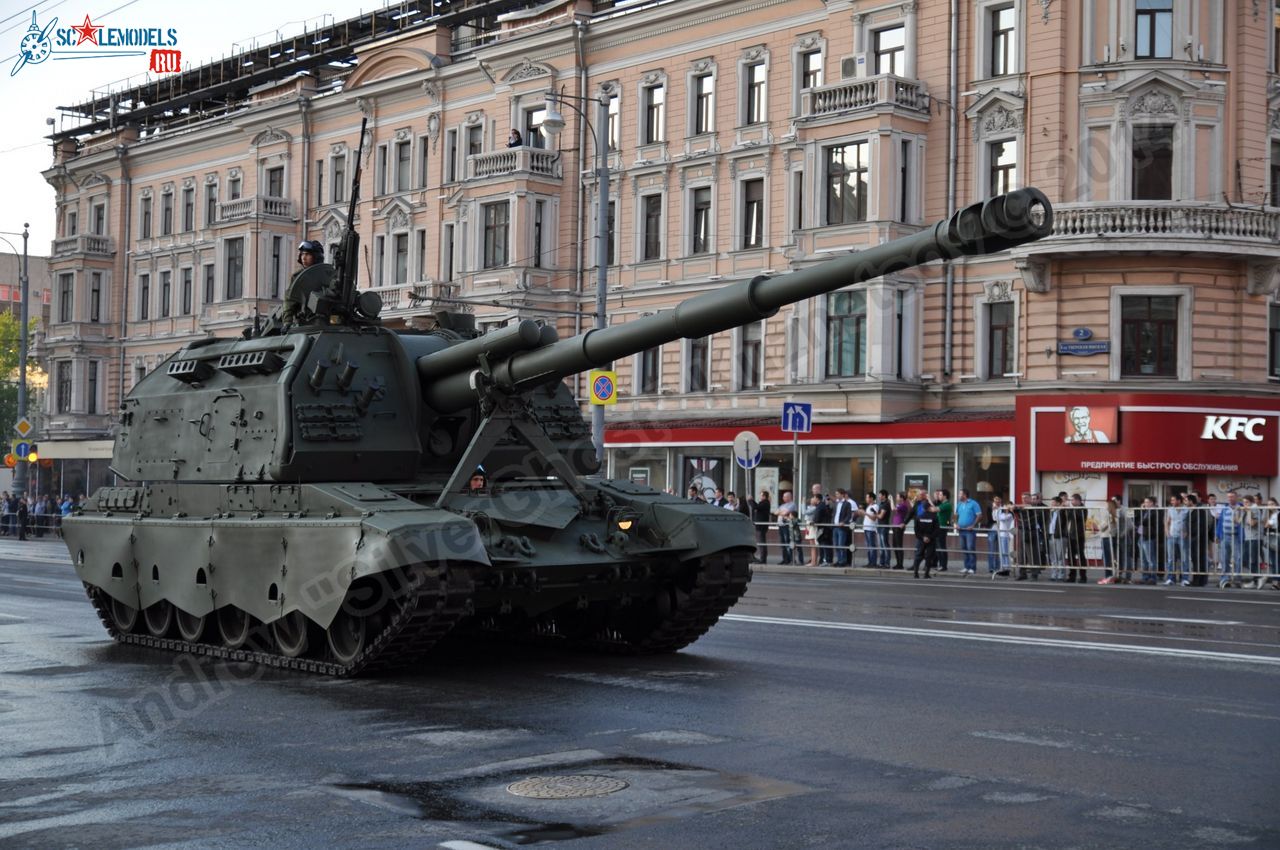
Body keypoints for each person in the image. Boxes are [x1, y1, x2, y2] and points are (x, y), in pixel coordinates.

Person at [281, 240, 327, 323]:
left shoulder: (327, 274)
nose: (303, 258)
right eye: (302, 254)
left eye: (307, 254)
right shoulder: (297, 277)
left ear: (316, 256)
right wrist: (287, 321)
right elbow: (290, 300)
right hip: (304, 320)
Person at [953, 488, 981, 576]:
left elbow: (979, 516)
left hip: (970, 530)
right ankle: (966, 566)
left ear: (965, 495)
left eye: (960, 494)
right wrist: (955, 524)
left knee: (970, 548)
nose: (958, 495)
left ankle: (972, 567)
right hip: (961, 530)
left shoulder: (973, 503)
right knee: (964, 548)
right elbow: (955, 515)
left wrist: (973, 525)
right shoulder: (959, 504)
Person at [1163, 494, 1189, 586]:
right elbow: (1167, 522)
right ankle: (1171, 578)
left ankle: (1185, 579)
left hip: (1182, 537)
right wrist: (1167, 533)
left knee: (1184, 558)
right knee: (1170, 559)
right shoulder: (1170, 509)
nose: (1172, 502)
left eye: (1173, 500)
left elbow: (1189, 522)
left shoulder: (1186, 509)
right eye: (1171, 500)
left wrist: (1187, 532)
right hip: (1172, 536)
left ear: (1179, 501)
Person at [912, 500, 939, 579]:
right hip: (931, 540)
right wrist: (929, 537)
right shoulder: (934, 517)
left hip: (921, 539)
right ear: (929, 507)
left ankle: (915, 573)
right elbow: (937, 530)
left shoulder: (919, 517)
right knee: (929, 556)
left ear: (923, 508)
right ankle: (926, 574)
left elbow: (916, 530)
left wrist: (922, 537)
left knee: (918, 555)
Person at [991, 496, 1015, 577]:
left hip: (1005, 534)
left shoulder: (1010, 515)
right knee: (1002, 552)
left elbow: (1002, 518)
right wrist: (995, 510)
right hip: (1001, 534)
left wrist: (998, 508)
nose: (1005, 508)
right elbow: (995, 518)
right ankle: (1004, 567)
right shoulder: (1002, 513)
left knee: (1005, 552)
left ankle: (1007, 568)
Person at [774, 490, 798, 565]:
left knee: (788, 542)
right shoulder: (782, 505)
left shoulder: (792, 504)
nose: (783, 498)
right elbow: (775, 512)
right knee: (783, 543)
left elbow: (785, 513)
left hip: (787, 526)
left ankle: (790, 559)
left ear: (789, 497)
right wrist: (781, 513)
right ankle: (784, 559)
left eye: (785, 496)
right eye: (783, 496)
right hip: (781, 525)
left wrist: (780, 513)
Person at [933, 489, 953, 571]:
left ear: (945, 496)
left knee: (942, 546)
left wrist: (930, 501)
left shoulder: (947, 504)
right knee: (938, 547)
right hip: (938, 528)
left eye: (940, 495)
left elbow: (935, 509)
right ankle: (941, 564)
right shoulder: (942, 504)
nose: (939, 496)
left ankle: (943, 565)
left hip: (942, 528)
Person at [861, 492, 882, 568]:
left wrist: (865, 513)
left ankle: (873, 562)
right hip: (866, 528)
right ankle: (870, 562)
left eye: (867, 497)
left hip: (871, 528)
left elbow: (874, 517)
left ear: (871, 498)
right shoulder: (868, 506)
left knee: (872, 545)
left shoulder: (875, 506)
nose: (866, 499)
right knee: (868, 546)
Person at [751, 490, 772, 563]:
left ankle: (763, 559)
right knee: (761, 542)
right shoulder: (763, 503)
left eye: (761, 495)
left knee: (762, 542)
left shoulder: (765, 503)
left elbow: (756, 507)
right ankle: (763, 558)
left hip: (761, 526)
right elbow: (756, 506)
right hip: (760, 526)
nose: (760, 497)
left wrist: (751, 500)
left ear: (764, 496)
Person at [891, 491, 910, 570]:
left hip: (899, 526)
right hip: (895, 526)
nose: (896, 498)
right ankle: (898, 563)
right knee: (895, 545)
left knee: (899, 545)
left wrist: (891, 499)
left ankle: (900, 564)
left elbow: (893, 509)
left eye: (898, 496)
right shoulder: (900, 505)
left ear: (902, 498)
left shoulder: (903, 505)